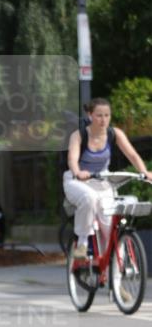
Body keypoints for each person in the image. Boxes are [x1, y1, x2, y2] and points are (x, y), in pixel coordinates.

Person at [63, 97, 152, 259]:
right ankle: (82, 243)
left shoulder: (114, 134)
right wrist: (78, 172)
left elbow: (132, 154)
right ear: (90, 115)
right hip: (77, 181)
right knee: (89, 198)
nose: (103, 120)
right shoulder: (79, 135)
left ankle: (114, 275)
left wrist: (145, 171)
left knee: (109, 227)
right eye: (99, 115)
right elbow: (72, 160)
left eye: (107, 115)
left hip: (102, 182)